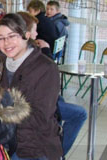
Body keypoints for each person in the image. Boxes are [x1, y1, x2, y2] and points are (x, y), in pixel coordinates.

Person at [18, 11, 87, 157]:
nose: (37, 34)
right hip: (34, 107)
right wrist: (46, 50)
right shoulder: (30, 53)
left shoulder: (28, 50)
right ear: (27, 33)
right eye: (35, 30)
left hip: (40, 103)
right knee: (79, 114)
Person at [0, 13, 62, 160]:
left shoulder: (46, 68)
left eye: (12, 36)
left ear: (26, 36)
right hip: (4, 140)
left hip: (32, 147)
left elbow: (40, 118)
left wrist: (8, 102)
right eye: (1, 38)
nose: (6, 43)